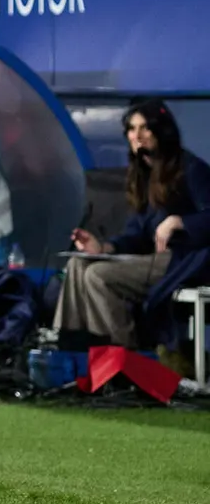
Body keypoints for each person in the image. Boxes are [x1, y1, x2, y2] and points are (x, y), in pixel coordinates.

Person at [54, 100, 210, 361]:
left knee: (98, 276)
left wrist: (180, 222)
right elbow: (136, 233)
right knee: (78, 265)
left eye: (145, 128)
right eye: (131, 129)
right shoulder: (143, 174)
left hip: (187, 260)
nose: (136, 136)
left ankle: (124, 359)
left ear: (162, 131)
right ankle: (70, 351)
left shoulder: (190, 168)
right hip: (155, 259)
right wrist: (103, 248)